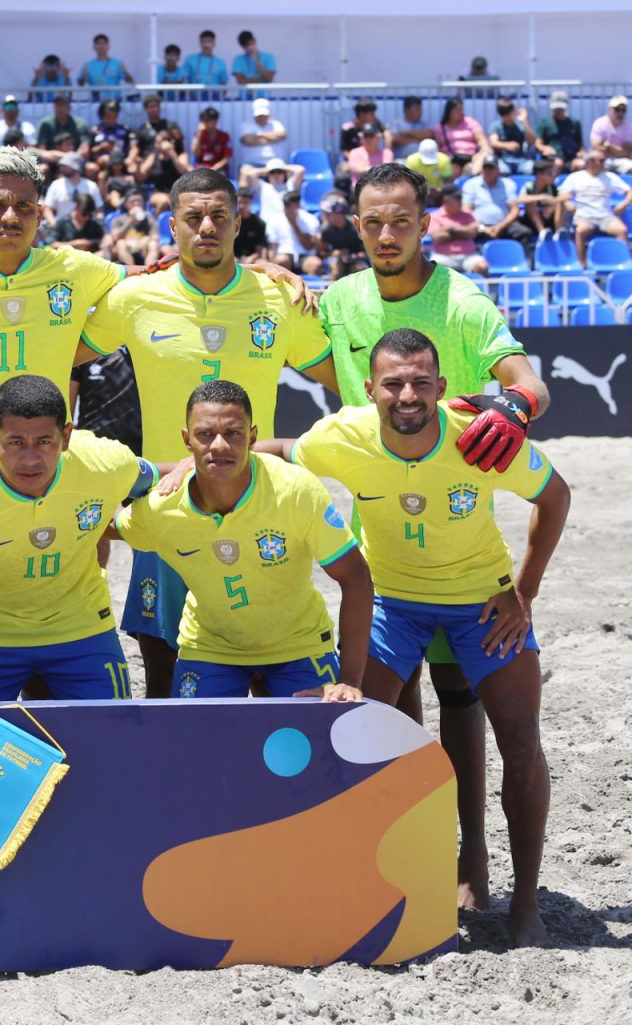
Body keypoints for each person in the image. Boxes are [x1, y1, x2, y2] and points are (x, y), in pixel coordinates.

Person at [274, 327, 569, 948]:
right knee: (354, 732)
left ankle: (524, 906)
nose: (406, 395)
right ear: (370, 389)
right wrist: (186, 467)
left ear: (440, 387)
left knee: (520, 740)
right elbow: (278, 452)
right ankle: (376, 885)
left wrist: (525, 591)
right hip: (394, 605)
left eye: (418, 383)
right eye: (392, 383)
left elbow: (556, 496)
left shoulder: (481, 437)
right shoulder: (342, 436)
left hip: (481, 606)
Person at [317, 160, 552, 911]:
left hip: (456, 535)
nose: (388, 234)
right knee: (392, 712)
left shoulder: (461, 300)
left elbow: (531, 383)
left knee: (461, 699)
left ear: (426, 222)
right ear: (356, 226)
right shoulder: (337, 300)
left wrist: (511, 408)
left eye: (402, 220)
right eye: (373, 222)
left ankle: (471, 857)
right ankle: (417, 864)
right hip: (379, 544)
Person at [82, 167, 333, 695]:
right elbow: (59, 352)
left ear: (239, 222)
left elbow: (346, 379)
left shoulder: (278, 300)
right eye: (193, 218)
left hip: (256, 503)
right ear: (171, 227)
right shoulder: (136, 297)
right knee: (165, 675)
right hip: (166, 506)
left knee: (265, 670)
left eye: (220, 216)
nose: (207, 227)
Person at [114, 379, 368, 701]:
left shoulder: (295, 490)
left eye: (233, 433)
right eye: (205, 434)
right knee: (196, 746)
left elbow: (356, 577)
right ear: (186, 440)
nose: (219, 445)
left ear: (252, 437)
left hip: (298, 643)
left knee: (309, 744)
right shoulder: (162, 507)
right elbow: (108, 526)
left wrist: (349, 679)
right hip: (211, 646)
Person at [0, 374, 154, 705]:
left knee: (112, 738)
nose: (30, 459)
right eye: (15, 442)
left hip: (80, 627)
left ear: (66, 436)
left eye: (44, 441)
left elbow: (158, 480)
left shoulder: (103, 462)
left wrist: (185, 466)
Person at [560, 149, 632, 267]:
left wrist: (624, 204)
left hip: (605, 215)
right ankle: (581, 263)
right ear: (590, 161)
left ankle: (622, 261)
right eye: (601, 160)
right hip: (584, 215)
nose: (604, 163)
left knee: (621, 230)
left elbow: (629, 191)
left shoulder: (610, 177)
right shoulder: (575, 177)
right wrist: (568, 203)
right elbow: (562, 194)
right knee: (580, 231)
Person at [463, 155, 532, 248]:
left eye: (491, 168)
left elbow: (514, 210)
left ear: (498, 170)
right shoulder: (471, 184)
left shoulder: (508, 184)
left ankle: (515, 258)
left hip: (503, 225)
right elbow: (466, 210)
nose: (488, 171)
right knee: (464, 232)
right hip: (478, 225)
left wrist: (499, 227)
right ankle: (472, 258)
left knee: (524, 232)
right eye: (485, 168)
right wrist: (483, 228)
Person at [427, 185, 489, 275]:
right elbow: (438, 238)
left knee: (482, 267)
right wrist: (463, 232)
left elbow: (472, 233)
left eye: (461, 197)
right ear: (446, 200)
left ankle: (483, 289)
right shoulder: (434, 216)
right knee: (434, 269)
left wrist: (450, 230)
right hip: (444, 256)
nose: (461, 201)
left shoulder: (468, 214)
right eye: (458, 198)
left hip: (469, 255)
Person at [267, 189, 325, 276]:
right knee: (281, 261)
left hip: (305, 256)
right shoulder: (274, 220)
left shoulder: (310, 219)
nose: (287, 208)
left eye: (290, 205)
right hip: (284, 255)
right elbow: (272, 248)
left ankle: (310, 288)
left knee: (315, 264)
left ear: (297, 204)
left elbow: (309, 246)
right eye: (286, 205)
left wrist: (294, 224)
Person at [103, 189, 161, 268]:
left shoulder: (149, 218)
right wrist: (131, 221)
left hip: (143, 247)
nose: (136, 203)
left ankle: (149, 270)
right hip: (126, 247)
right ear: (126, 204)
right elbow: (115, 237)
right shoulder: (118, 220)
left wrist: (146, 239)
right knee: (121, 243)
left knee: (153, 244)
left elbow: (155, 237)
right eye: (133, 201)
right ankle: (131, 271)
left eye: (139, 201)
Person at [436, 98, 490, 178]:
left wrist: (484, 147)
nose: (461, 112)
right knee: (452, 172)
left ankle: (473, 176)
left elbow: (481, 138)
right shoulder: (441, 128)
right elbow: (438, 148)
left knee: (480, 160)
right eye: (458, 110)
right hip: (452, 159)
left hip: (472, 157)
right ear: (449, 112)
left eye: (462, 109)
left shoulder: (470, 122)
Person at [236, 98, 288, 182]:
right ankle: (243, 195)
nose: (262, 118)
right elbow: (248, 140)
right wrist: (272, 139)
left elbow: (282, 135)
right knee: (244, 171)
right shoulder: (246, 125)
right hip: (251, 164)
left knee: (285, 172)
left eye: (264, 115)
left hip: (274, 163)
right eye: (259, 116)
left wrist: (259, 134)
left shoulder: (276, 124)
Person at [43, 152, 101, 226]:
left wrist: (97, 225)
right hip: (61, 226)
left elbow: (98, 210)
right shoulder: (56, 185)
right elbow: (47, 209)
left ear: (76, 167)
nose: (62, 168)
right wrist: (55, 225)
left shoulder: (91, 186)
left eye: (66, 166)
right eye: (62, 166)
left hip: (86, 227)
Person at [318, 193, 366, 279]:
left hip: (357, 258)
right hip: (336, 258)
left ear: (339, 214)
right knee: (336, 271)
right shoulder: (325, 230)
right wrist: (337, 253)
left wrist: (356, 256)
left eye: (328, 213)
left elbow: (367, 250)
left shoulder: (356, 226)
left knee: (360, 270)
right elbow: (322, 252)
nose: (324, 216)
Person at [535, 91, 584, 173]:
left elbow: (580, 144)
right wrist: (545, 148)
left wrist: (582, 152)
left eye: (560, 109)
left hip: (572, 158)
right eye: (555, 108)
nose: (558, 111)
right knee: (558, 164)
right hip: (553, 158)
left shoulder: (575, 123)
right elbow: (538, 144)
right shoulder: (544, 122)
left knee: (581, 164)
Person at [488, 98, 538, 176]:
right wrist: (507, 145)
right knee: (500, 170)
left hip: (522, 161)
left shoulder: (521, 126)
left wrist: (525, 121)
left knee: (534, 169)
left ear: (513, 112)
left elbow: (532, 141)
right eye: (503, 114)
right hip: (503, 161)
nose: (505, 117)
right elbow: (493, 142)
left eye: (507, 113)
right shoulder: (496, 126)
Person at [87, 100, 130, 187]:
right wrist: (102, 147)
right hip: (100, 162)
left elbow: (132, 147)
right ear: (102, 116)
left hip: (120, 162)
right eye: (108, 117)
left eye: (114, 117)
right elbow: (89, 151)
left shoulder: (124, 130)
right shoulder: (95, 130)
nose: (111, 119)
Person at [78, 33, 132, 100]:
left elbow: (130, 81)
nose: (101, 46)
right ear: (94, 47)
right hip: (95, 101)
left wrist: (126, 72)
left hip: (114, 100)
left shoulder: (117, 63)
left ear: (108, 46)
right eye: (98, 43)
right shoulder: (88, 65)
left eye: (104, 43)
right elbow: (80, 84)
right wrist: (83, 75)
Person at [519, 159, 563, 236]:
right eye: (549, 173)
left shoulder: (552, 187)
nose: (553, 176)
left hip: (548, 218)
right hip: (531, 222)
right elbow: (520, 199)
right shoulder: (529, 186)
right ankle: (542, 232)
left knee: (560, 203)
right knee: (530, 203)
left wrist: (552, 205)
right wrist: (542, 197)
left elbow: (565, 196)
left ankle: (558, 232)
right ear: (539, 175)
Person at [589, 95, 632, 174]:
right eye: (617, 109)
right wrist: (619, 149)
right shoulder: (599, 123)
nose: (620, 113)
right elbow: (596, 147)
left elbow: (628, 151)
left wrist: (609, 147)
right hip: (603, 159)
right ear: (610, 109)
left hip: (622, 160)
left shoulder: (629, 127)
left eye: (623, 110)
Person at [344, 122, 394, 187]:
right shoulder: (354, 153)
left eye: (371, 135)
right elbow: (360, 171)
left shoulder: (387, 153)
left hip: (381, 189)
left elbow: (386, 172)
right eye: (365, 136)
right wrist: (379, 169)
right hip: (359, 189)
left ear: (378, 137)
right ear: (361, 138)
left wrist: (366, 168)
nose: (368, 139)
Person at [391, 96, 435, 162]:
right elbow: (395, 139)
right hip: (402, 160)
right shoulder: (397, 124)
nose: (420, 112)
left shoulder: (424, 124)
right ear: (406, 110)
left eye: (420, 109)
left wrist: (408, 133)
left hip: (423, 161)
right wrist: (419, 138)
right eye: (417, 109)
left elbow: (429, 135)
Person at [192, 107, 231, 172]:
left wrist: (212, 169)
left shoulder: (225, 136)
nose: (206, 124)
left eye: (208, 121)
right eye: (204, 121)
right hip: (201, 169)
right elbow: (196, 154)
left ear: (216, 121)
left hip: (218, 170)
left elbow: (227, 158)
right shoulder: (198, 135)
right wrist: (199, 135)